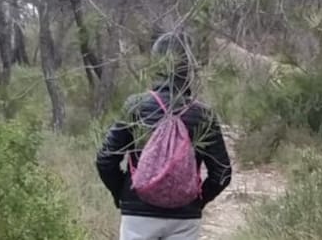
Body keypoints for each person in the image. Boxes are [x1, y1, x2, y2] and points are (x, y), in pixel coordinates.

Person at [96, 31, 232, 240]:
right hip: (184, 217)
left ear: (156, 65)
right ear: (190, 68)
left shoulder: (136, 106)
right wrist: (197, 200)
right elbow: (221, 173)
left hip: (138, 215)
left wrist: (122, 193)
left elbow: (106, 159)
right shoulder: (203, 114)